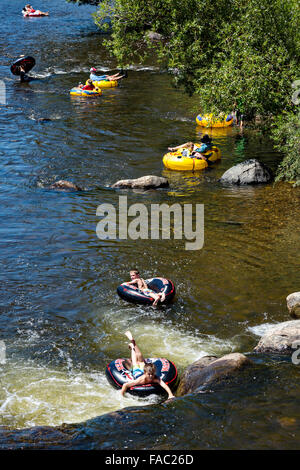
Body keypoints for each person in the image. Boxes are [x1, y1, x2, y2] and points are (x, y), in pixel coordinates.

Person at [121, 331, 175, 399]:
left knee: (140, 357)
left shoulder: (155, 378)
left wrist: (170, 395)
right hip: (137, 371)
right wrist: (122, 396)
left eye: (152, 374)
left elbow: (164, 385)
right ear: (145, 373)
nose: (151, 376)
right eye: (149, 374)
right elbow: (125, 385)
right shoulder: (140, 380)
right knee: (135, 360)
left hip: (143, 368)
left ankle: (133, 343)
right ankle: (132, 346)